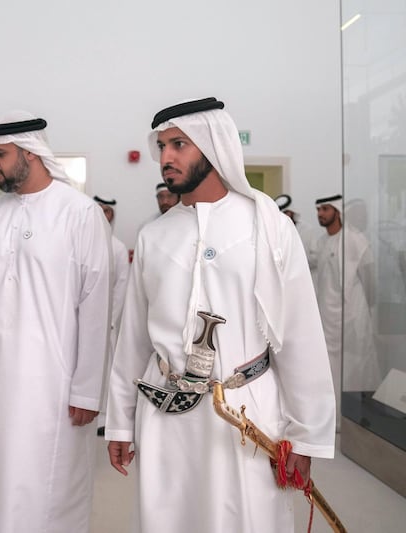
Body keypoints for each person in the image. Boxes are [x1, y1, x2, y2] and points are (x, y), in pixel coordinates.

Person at [105, 97, 336, 532]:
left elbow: (300, 334)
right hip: (164, 412)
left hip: (245, 416)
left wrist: (306, 436)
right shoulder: (154, 236)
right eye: (162, 147)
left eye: (179, 144)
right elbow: (132, 338)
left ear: (213, 147)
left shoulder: (266, 226)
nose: (166, 158)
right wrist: (119, 423)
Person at [0, 110, 112, 533]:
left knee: (47, 482)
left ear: (30, 153)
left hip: (52, 381)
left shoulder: (79, 213)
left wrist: (87, 389)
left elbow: (95, 309)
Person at [314, 194, 381, 422]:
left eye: (325, 209)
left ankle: (355, 419)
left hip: (352, 316)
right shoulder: (322, 242)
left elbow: (370, 280)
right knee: (329, 369)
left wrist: (368, 311)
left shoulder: (355, 239)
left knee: (354, 367)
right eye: (319, 210)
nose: (320, 214)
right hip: (327, 318)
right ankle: (332, 418)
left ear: (337, 211)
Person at [93, 195, 131, 435]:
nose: (104, 216)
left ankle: (104, 418)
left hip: (107, 324)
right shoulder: (82, 243)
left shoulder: (116, 247)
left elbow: (121, 287)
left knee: (106, 370)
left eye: (108, 212)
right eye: (100, 211)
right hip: (81, 323)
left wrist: (109, 320)